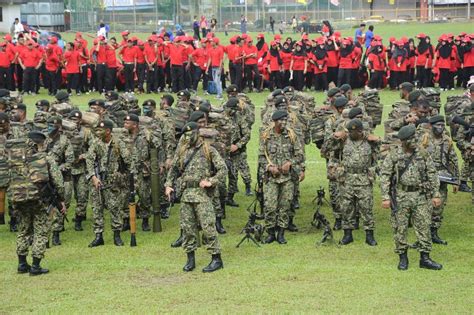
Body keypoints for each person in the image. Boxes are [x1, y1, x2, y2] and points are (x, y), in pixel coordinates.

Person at [165, 122, 227, 273]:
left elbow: (223, 169)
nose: (187, 138)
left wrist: (210, 181)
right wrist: (168, 184)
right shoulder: (182, 151)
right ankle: (190, 258)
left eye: (190, 134)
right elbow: (173, 170)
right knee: (188, 228)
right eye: (185, 135)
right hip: (186, 194)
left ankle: (216, 258)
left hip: (202, 195)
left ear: (197, 133)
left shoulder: (208, 150)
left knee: (208, 226)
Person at [380, 124, 443, 271]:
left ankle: (425, 258)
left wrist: (436, 194)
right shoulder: (394, 155)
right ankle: (403, 258)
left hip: (421, 196)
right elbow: (385, 175)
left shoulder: (422, 153)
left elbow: (432, 173)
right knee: (400, 227)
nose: (415, 141)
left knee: (424, 225)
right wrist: (385, 197)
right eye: (411, 139)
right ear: (403, 141)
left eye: (415, 137)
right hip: (401, 196)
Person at [9, 130, 66, 275]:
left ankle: (22, 264)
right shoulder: (46, 158)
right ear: (40, 143)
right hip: (39, 201)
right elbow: (58, 182)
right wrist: (61, 200)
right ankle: (35, 266)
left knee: (23, 230)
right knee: (41, 231)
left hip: (19, 200)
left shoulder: (15, 159)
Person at [328, 119, 380, 246]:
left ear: (360, 131)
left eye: (353, 132)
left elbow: (382, 153)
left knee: (366, 208)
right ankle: (347, 234)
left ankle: (369, 235)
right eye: (349, 131)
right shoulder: (343, 141)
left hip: (364, 179)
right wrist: (334, 136)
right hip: (347, 179)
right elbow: (327, 149)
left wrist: (378, 139)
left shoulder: (369, 141)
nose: (350, 134)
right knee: (346, 207)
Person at [259, 110, 304, 244]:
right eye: (281, 120)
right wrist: (269, 167)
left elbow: (300, 155)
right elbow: (261, 157)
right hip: (271, 178)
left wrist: (290, 163)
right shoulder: (266, 135)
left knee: (285, 206)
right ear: (274, 121)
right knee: (270, 206)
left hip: (287, 178)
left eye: (286, 120)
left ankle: (281, 233)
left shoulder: (291, 135)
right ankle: (271, 232)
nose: (284, 123)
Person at [85, 119, 132, 247]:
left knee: (114, 208)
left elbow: (128, 162)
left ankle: (117, 235)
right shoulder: (95, 143)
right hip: (97, 181)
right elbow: (89, 160)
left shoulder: (118, 144)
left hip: (113, 183)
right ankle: (98, 236)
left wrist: (123, 177)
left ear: (108, 131)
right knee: (96, 208)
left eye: (101, 130)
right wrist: (93, 177)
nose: (98, 132)